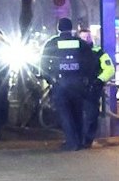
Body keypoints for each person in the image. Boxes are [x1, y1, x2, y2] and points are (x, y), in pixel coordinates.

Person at [40, 19, 97, 151]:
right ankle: (80, 141)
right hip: (78, 84)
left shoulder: (52, 43)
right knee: (77, 112)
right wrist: (86, 79)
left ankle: (72, 143)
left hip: (60, 84)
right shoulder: (81, 43)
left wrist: (50, 79)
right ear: (71, 28)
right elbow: (91, 63)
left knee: (65, 114)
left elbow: (43, 65)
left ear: (58, 28)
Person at [81, 28, 115, 144]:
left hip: (92, 88)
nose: (86, 40)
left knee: (91, 114)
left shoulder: (99, 52)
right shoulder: (75, 52)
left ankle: (87, 140)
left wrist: (99, 80)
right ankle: (78, 139)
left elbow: (109, 69)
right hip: (77, 88)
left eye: (88, 37)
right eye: (83, 37)